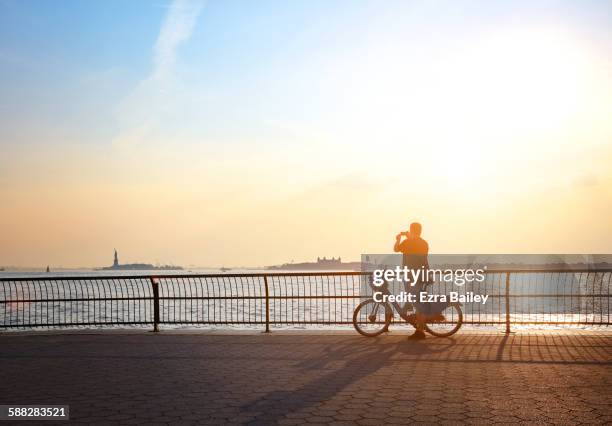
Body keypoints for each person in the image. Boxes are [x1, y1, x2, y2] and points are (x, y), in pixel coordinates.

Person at [394, 222, 429, 339]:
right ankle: (413, 315)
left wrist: (398, 239)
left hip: (411, 276)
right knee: (414, 300)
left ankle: (420, 331)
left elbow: (396, 249)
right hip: (421, 275)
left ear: (412, 230)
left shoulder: (408, 242)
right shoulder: (424, 243)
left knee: (417, 303)